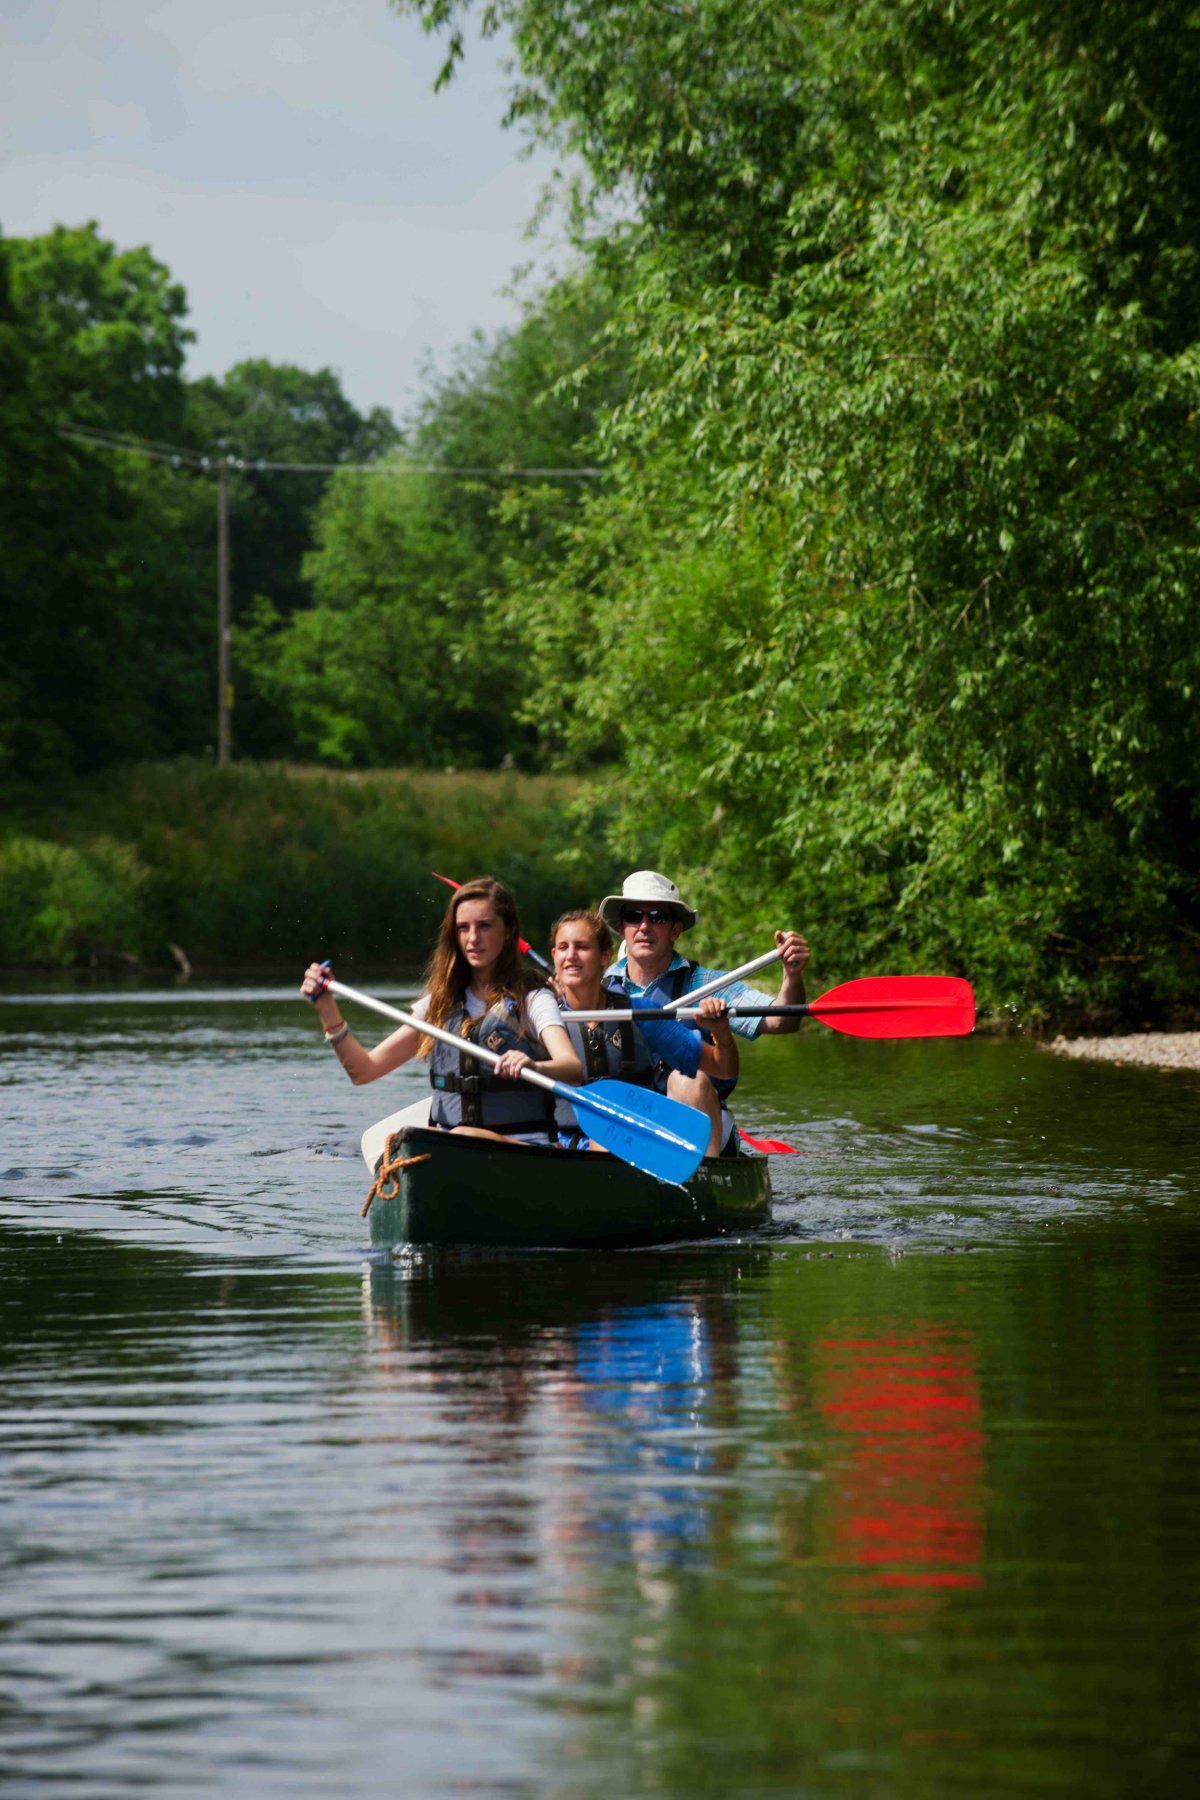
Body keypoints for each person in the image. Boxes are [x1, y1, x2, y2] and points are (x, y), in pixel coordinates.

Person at [300, 876, 582, 1145]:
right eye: (463, 928)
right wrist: (328, 1010)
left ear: (507, 930)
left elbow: (572, 1068)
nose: (473, 938)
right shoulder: (439, 1005)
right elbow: (363, 1071)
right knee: (415, 1138)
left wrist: (533, 1066)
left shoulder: (532, 998)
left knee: (463, 1137)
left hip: (521, 1147)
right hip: (452, 1146)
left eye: (484, 926)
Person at [549, 908, 738, 1158]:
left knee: (691, 1081)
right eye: (563, 948)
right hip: (569, 1146)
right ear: (554, 955)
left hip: (634, 1140)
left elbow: (723, 1068)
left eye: (582, 947)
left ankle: (707, 1180)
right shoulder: (542, 1020)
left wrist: (721, 1032)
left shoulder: (640, 1014)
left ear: (606, 956)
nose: (571, 956)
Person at [597, 869, 811, 1040]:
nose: (644, 926)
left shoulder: (707, 985)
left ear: (676, 931)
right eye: (634, 916)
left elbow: (782, 1022)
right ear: (622, 928)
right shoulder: (598, 985)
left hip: (685, 1091)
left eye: (657, 917)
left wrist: (791, 976)